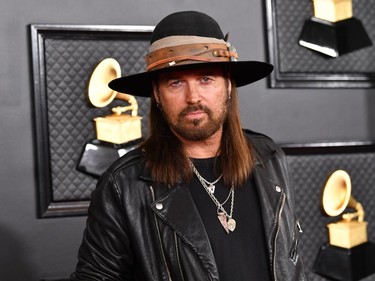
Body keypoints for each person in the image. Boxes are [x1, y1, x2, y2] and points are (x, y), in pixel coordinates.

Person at [71, 10, 306, 281]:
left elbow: (291, 262)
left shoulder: (269, 157)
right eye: (176, 82)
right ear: (157, 95)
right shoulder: (124, 184)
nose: (193, 97)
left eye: (206, 79)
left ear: (229, 86)